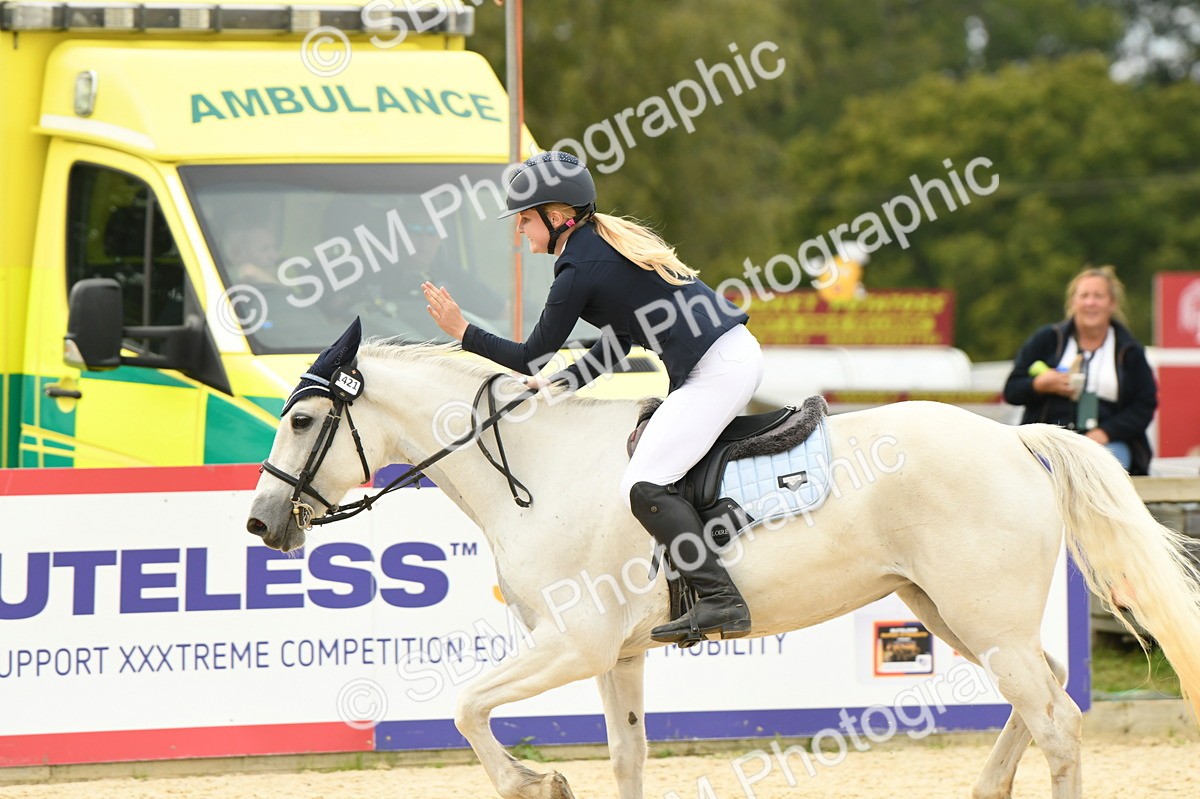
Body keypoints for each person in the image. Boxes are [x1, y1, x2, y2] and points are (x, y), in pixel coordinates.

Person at [422, 151, 763, 644]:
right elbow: (621, 338)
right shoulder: (594, 246)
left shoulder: (579, 267)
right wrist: (563, 383)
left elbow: (529, 354)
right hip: (727, 358)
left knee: (643, 485)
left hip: (719, 369)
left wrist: (462, 331)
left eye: (525, 219)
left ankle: (721, 600)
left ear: (557, 217)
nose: (520, 230)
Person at [1003, 265, 1158, 475]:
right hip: (1048, 441)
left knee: (1105, 474)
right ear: (1073, 302)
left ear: (1112, 303)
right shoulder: (1048, 340)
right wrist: (1040, 384)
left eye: (1098, 296)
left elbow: (1145, 403)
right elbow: (1012, 390)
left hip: (1107, 444)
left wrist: (1107, 432)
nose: (1090, 302)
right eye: (1084, 295)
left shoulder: (1129, 350)